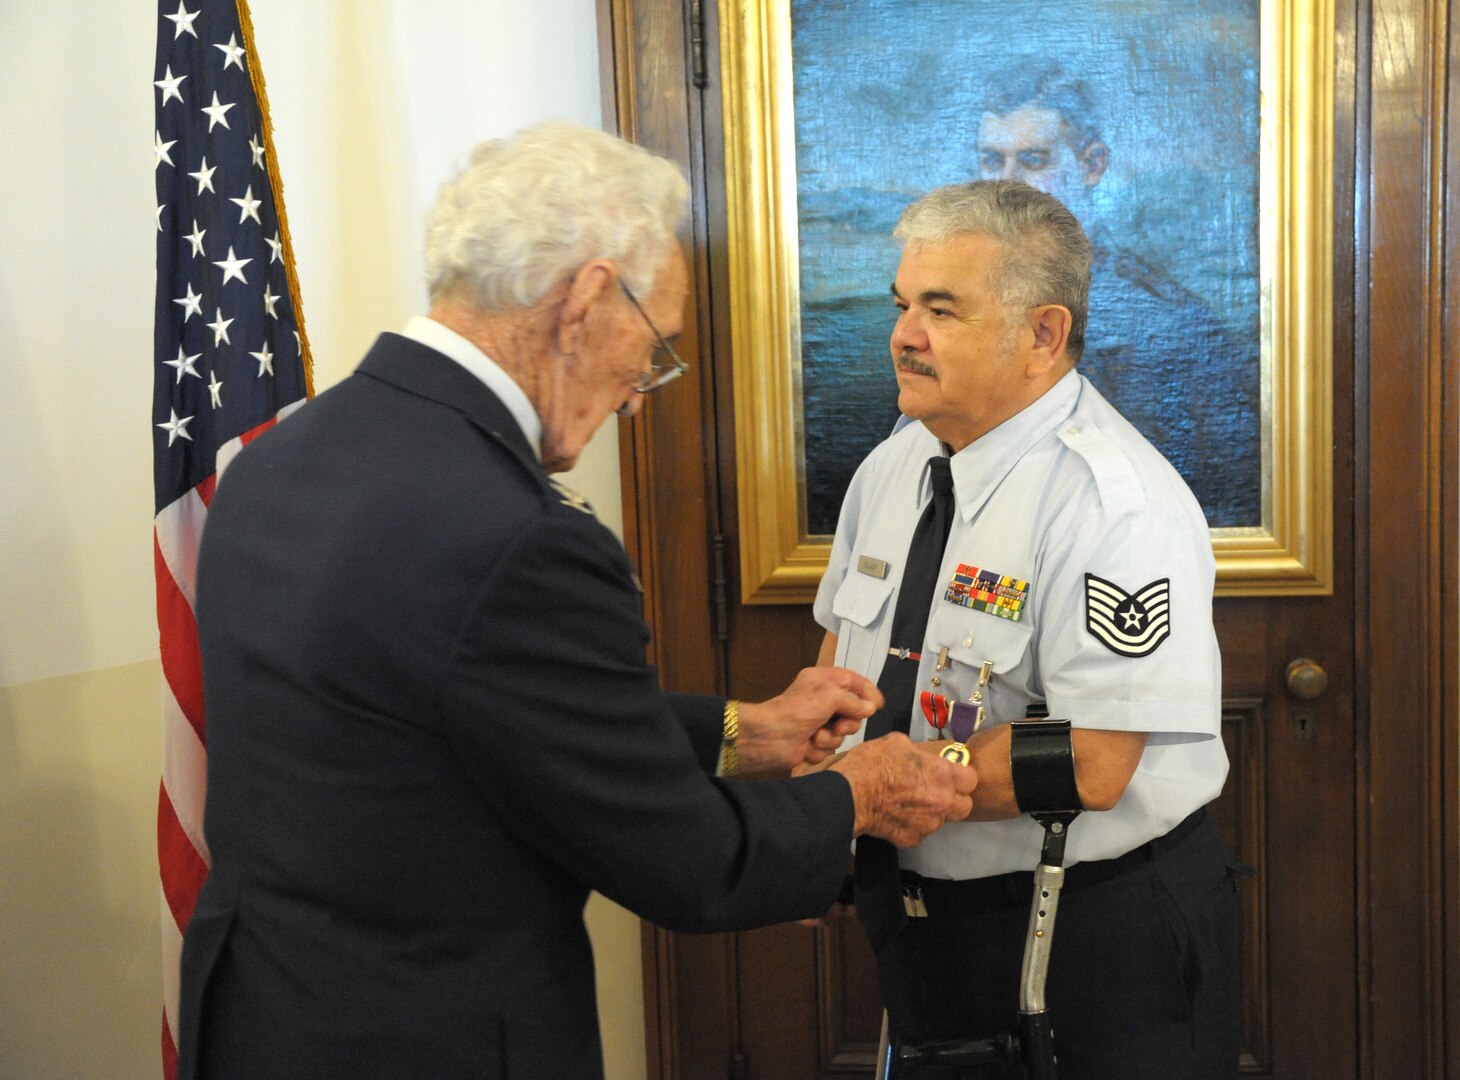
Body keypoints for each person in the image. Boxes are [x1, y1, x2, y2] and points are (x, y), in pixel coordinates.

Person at [176, 122, 977, 1080]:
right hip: (436, 1038)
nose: (643, 393)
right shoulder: (523, 536)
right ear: (589, 298)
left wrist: (740, 730)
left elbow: (459, 702)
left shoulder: (280, 460)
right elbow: (688, 863)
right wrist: (859, 792)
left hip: (264, 1020)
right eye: (656, 347)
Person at [811, 180, 1240, 1078]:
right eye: (902, 305)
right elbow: (842, 663)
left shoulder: (1114, 500)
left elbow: (1093, 760)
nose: (903, 334)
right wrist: (822, 785)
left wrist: (886, 785)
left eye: (941, 309)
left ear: (1043, 335)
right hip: (917, 919)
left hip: (1088, 933)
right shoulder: (897, 462)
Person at [974, 66, 1260, 528]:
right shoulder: (957, 309)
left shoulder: (1172, 320)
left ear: (1093, 164)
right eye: (992, 161)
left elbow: (1215, 490)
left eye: (1033, 160)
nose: (1005, 186)